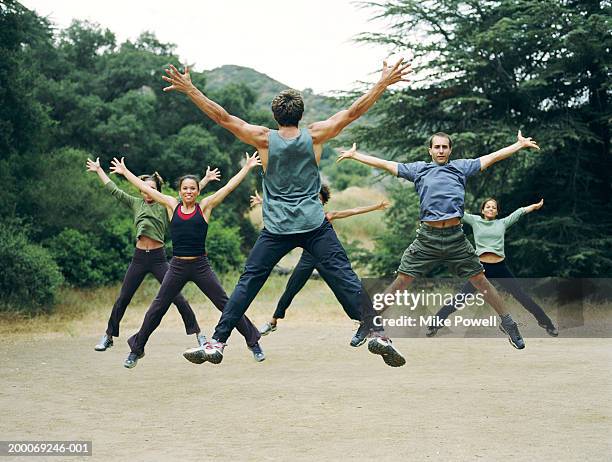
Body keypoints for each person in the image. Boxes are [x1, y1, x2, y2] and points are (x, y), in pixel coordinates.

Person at [163, 58, 411, 367]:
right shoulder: (316, 135)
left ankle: (218, 342)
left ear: (275, 115)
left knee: (248, 283)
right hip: (314, 224)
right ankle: (377, 333)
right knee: (346, 277)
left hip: (277, 228)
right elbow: (353, 111)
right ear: (301, 114)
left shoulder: (263, 139)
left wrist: (191, 90)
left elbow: (223, 118)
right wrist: (382, 84)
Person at [336, 131, 542, 350]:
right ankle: (368, 323)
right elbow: (387, 164)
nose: (441, 151)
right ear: (430, 150)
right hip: (427, 238)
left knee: (481, 281)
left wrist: (518, 146)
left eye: (445, 147)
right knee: (402, 280)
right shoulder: (419, 170)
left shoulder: (461, 167)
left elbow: (491, 157)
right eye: (437, 147)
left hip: (455, 238)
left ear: (450, 150)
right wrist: (356, 155)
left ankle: (508, 324)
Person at [108, 153, 265, 368]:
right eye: (185, 188)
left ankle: (253, 342)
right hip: (177, 266)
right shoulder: (172, 205)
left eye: (192, 188)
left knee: (226, 304)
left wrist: (246, 168)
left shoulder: (206, 206)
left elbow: (228, 188)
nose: (189, 191)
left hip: (200, 265)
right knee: (158, 307)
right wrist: (125, 173)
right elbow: (147, 189)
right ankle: (136, 349)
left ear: (198, 190)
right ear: (180, 191)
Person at [86, 158, 219, 352]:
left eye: (153, 189)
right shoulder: (135, 203)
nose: (149, 192)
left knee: (178, 298)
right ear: (141, 191)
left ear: (157, 191)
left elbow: (188, 195)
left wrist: (205, 180)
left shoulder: (165, 205)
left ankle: (198, 334)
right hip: (139, 258)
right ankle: (108, 336)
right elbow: (113, 189)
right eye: (145, 188)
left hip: (158, 258)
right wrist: (99, 170)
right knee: (123, 297)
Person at [249, 187, 390, 336]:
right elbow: (284, 207)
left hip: (325, 260)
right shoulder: (302, 214)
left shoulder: (326, 216)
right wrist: (262, 201)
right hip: (307, 259)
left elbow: (354, 210)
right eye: (313, 198)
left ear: (322, 203)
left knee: (342, 292)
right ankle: (273, 321)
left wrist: (376, 207)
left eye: (319, 199)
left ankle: (364, 322)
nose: (315, 201)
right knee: (291, 288)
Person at [427, 197, 558, 337]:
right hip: (481, 268)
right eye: (488, 207)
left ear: (497, 212)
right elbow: (456, 212)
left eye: (494, 207)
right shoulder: (475, 220)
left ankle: (547, 324)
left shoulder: (502, 223)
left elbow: (519, 212)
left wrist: (535, 206)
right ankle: (435, 324)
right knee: (462, 297)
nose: (491, 209)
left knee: (521, 295)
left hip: (500, 267)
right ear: (483, 210)